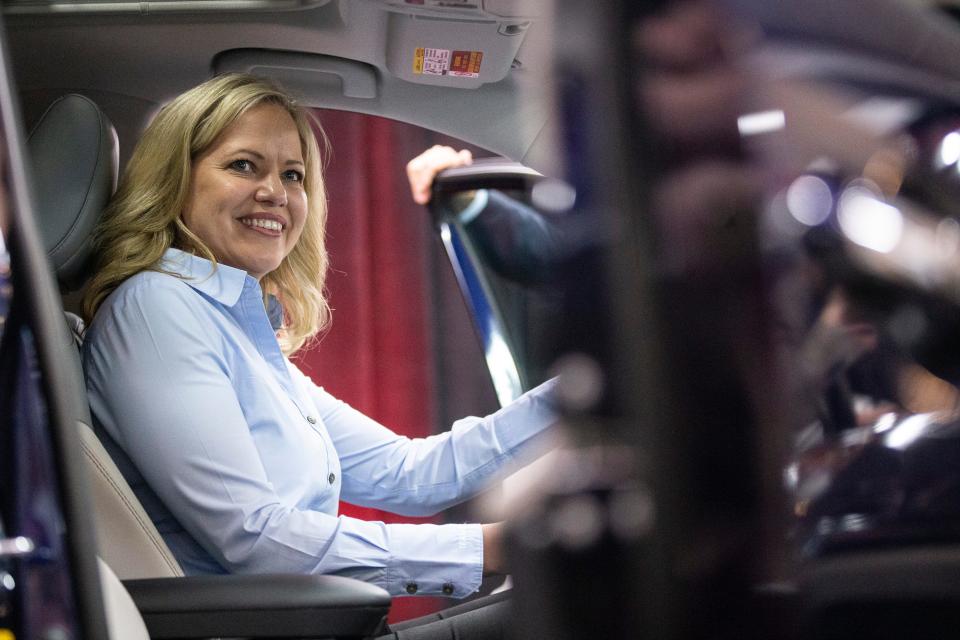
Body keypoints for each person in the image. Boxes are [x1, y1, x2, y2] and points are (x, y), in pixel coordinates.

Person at [81, 73, 558, 639]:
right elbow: (256, 540)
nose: (275, 193)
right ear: (175, 181)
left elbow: (413, 472)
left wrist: (576, 394)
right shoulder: (158, 308)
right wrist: (492, 546)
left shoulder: (231, 327)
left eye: (292, 175)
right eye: (243, 165)